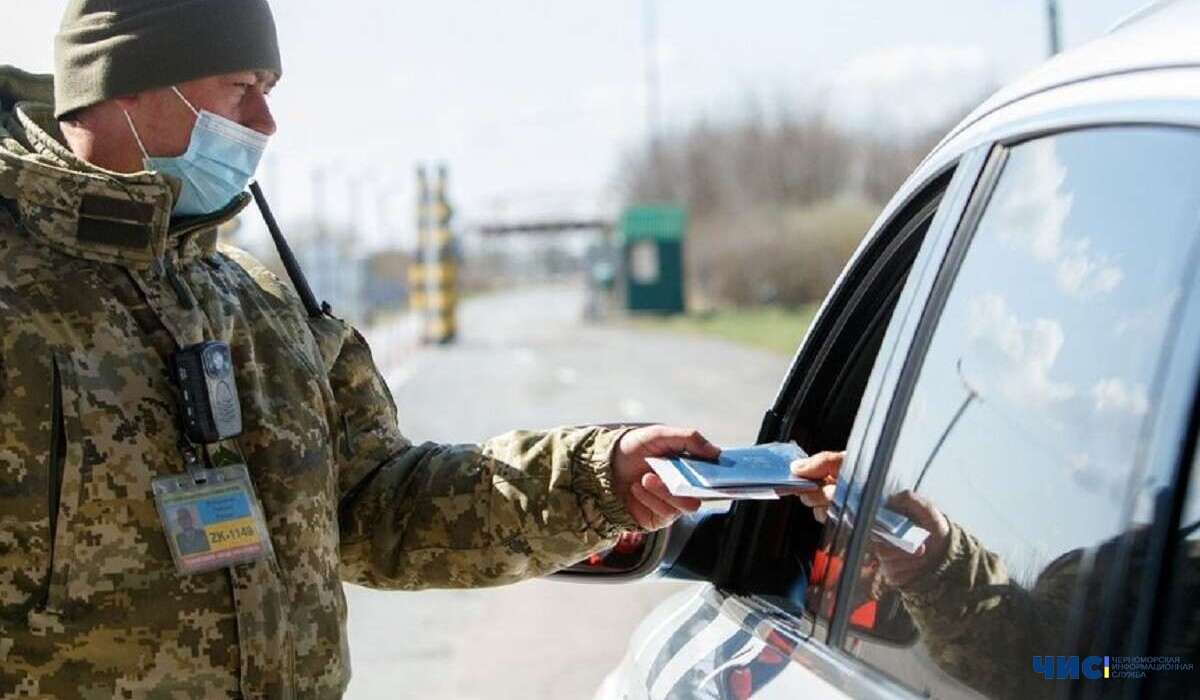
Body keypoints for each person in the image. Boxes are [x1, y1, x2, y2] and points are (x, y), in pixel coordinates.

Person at [0, 1, 717, 697]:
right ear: (126, 81)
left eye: (270, 91)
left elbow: (380, 507)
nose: (266, 121)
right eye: (242, 89)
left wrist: (599, 479)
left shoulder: (263, 307)